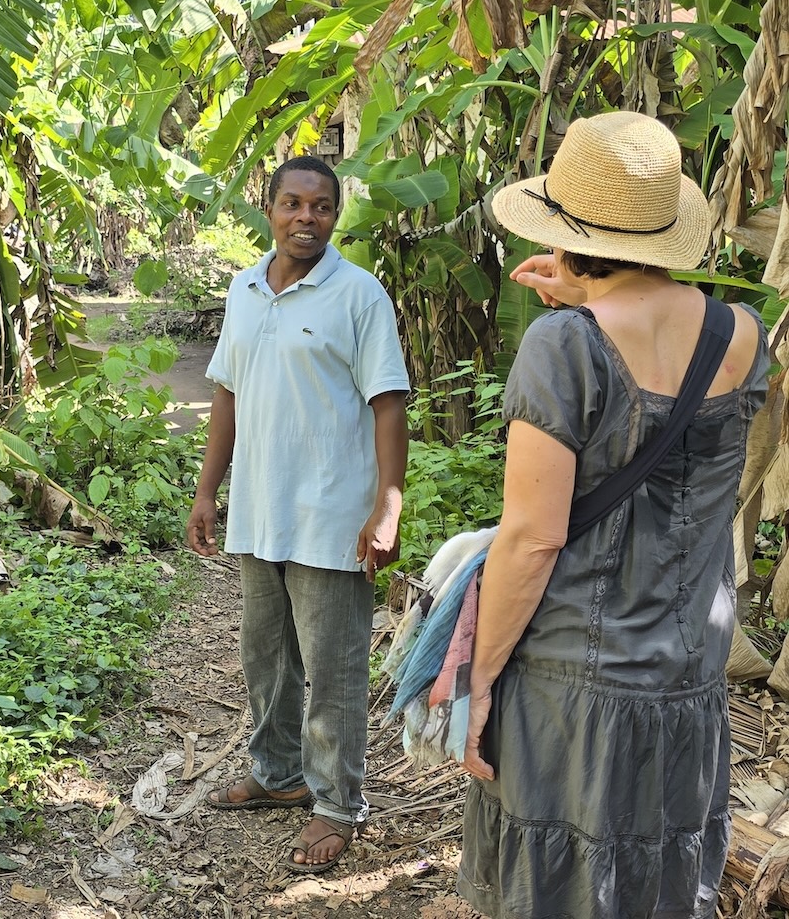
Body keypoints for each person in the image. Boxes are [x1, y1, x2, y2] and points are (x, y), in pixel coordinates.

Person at [456, 111, 770, 918]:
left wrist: (478, 677)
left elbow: (533, 539)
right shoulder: (742, 334)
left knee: (565, 883)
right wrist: (588, 294)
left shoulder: (564, 346)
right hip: (689, 669)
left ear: (567, 231)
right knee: (656, 875)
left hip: (573, 677)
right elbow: (660, 339)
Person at [186, 155, 409, 874]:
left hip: (333, 514)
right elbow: (226, 393)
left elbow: (388, 405)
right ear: (269, 209)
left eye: (319, 207)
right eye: (291, 203)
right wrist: (206, 491)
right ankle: (278, 774)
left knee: (334, 667)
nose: (304, 218)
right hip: (260, 507)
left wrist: (387, 507)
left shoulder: (359, 295)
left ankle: (338, 804)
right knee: (266, 656)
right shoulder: (246, 288)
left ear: (335, 216)